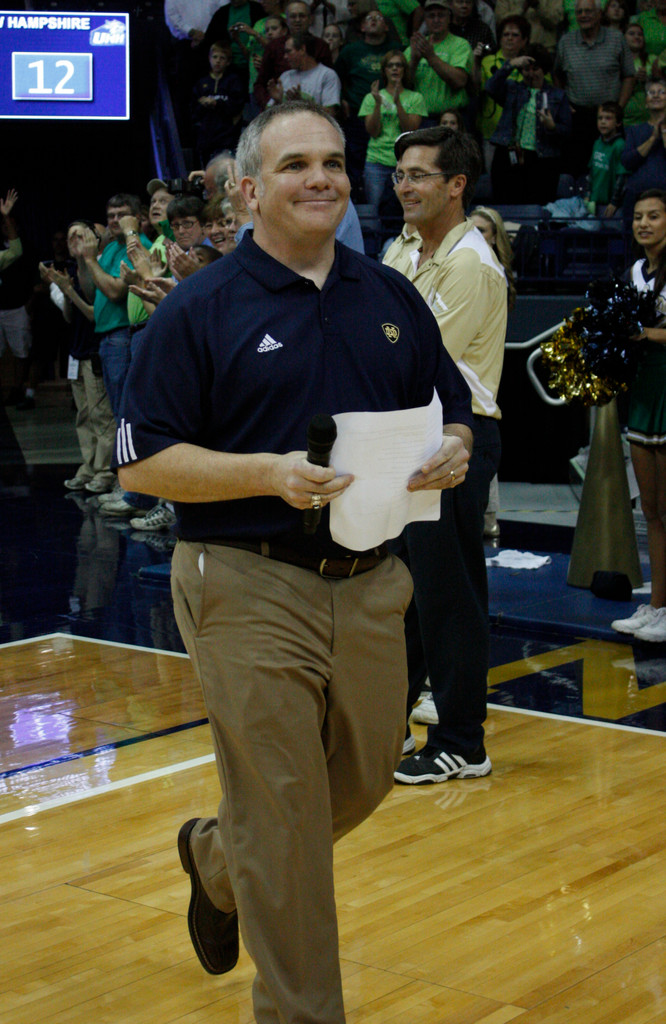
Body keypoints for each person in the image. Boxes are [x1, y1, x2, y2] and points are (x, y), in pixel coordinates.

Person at [115, 100, 474, 1024]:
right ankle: (299, 1011)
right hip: (243, 580)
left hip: (371, 582)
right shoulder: (199, 310)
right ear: (248, 189)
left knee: (362, 779)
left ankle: (216, 858)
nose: (320, 177)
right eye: (294, 164)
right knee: (283, 809)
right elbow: (143, 459)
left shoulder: (388, 295)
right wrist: (265, 474)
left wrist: (460, 445)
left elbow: (451, 409)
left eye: (334, 161)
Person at [383, 125, 507, 783]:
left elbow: (415, 360)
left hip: (455, 441)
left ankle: (463, 739)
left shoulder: (469, 263)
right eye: (400, 173)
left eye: (420, 175)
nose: (404, 185)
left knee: (448, 594)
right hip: (404, 439)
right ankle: (387, 726)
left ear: (456, 185)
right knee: (404, 594)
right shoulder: (399, 248)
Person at [611, 189, 666, 642]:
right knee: (651, 511)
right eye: (638, 217)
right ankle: (657, 605)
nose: (644, 224)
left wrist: (644, 333)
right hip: (643, 392)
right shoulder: (633, 272)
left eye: (654, 216)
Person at [40, 222, 116, 495]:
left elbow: (94, 311)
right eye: (70, 235)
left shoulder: (98, 268)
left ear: (94, 238)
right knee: (83, 414)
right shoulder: (70, 270)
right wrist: (61, 290)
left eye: (79, 234)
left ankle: (106, 470)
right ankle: (89, 465)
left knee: (102, 415)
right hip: (77, 350)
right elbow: (70, 318)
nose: (73, 239)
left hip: (96, 349)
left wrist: (69, 290)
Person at [554, 0, 635, 178]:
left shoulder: (616, 39)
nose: (583, 15)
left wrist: (618, 109)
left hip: (610, 117)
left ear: (599, 14)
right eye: (580, 12)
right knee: (575, 171)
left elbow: (629, 75)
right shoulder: (566, 42)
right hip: (577, 118)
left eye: (588, 11)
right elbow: (557, 74)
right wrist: (564, 101)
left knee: (613, 172)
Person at [485, 44, 572, 203]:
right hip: (509, 154)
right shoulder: (512, 88)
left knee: (536, 206)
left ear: (544, 70)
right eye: (526, 69)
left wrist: (552, 127)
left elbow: (567, 131)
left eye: (535, 68)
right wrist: (510, 65)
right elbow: (490, 87)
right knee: (505, 203)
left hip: (542, 160)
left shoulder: (558, 95)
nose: (530, 73)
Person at [358, 48, 427, 205]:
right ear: (384, 70)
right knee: (374, 211)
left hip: (405, 162)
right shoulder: (372, 97)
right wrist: (377, 104)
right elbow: (373, 132)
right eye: (390, 65)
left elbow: (410, 131)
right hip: (377, 161)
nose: (395, 68)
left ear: (404, 69)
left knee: (407, 207)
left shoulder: (416, 97)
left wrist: (398, 103)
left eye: (399, 65)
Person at [405, 0, 473, 124]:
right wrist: (414, 62)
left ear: (449, 18)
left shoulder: (460, 44)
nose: (436, 20)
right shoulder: (415, 46)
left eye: (441, 15)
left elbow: (459, 81)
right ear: (425, 20)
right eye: (431, 16)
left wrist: (431, 57)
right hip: (421, 119)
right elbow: (404, 87)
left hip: (452, 120)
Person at [621, 79, 666, 231]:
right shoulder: (635, 130)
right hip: (637, 197)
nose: (656, 96)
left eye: (661, 92)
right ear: (646, 103)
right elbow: (627, 161)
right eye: (651, 93)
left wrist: (664, 131)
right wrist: (653, 138)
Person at [192, 40, 246, 165]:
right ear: (209, 58)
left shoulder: (233, 81)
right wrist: (203, 104)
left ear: (228, 62)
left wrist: (217, 103)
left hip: (227, 138)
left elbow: (237, 105)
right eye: (215, 57)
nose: (218, 61)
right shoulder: (201, 83)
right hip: (205, 137)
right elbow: (193, 109)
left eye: (222, 58)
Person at [267, 32, 342, 111]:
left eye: (288, 51)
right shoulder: (285, 76)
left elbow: (330, 113)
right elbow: (267, 114)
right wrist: (277, 101)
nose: (285, 57)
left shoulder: (326, 75)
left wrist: (302, 103)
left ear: (302, 49)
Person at [586, 100, 626, 217]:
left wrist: (615, 201)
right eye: (600, 118)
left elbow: (622, 177)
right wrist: (588, 194)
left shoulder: (620, 145)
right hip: (593, 201)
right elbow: (591, 172)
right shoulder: (597, 143)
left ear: (618, 123)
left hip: (610, 204)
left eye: (608, 118)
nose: (603, 122)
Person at [494, 0, 562, 52]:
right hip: (512, 51)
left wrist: (538, 6)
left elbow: (555, 21)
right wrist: (522, 8)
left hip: (544, 50)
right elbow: (500, 22)